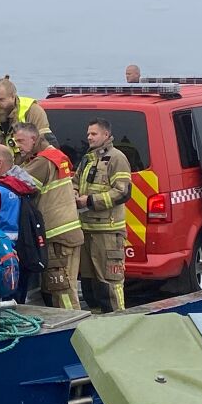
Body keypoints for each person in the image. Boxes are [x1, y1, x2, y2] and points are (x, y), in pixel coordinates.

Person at [12, 123, 84, 310]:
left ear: (34, 139)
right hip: (68, 233)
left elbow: (15, 184)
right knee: (65, 287)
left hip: (57, 236)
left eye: (20, 141)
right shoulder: (56, 157)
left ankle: (71, 328)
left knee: (62, 290)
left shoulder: (42, 162)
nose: (17, 145)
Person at [72, 119, 132, 314]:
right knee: (90, 287)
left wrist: (89, 201)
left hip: (108, 231)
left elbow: (123, 192)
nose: (89, 137)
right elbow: (75, 181)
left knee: (110, 284)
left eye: (94, 134)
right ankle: (98, 323)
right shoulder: (88, 159)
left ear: (106, 135)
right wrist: (73, 193)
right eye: (88, 133)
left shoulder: (117, 158)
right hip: (87, 230)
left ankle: (119, 321)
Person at [0, 144, 37, 302]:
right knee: (18, 300)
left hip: (1, 254)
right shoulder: (17, 185)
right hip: (21, 249)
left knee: (1, 303)